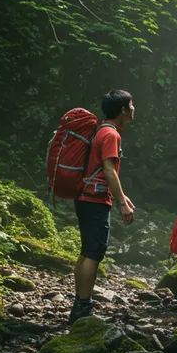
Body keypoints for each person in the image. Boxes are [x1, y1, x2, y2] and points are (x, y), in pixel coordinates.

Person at [69, 90, 137, 325]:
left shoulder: (101, 129)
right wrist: (122, 205)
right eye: (131, 105)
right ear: (122, 110)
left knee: (87, 251)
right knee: (93, 253)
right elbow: (108, 170)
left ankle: (80, 303)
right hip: (94, 201)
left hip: (85, 197)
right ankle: (83, 307)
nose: (133, 108)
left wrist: (123, 197)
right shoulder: (111, 134)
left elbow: (102, 170)